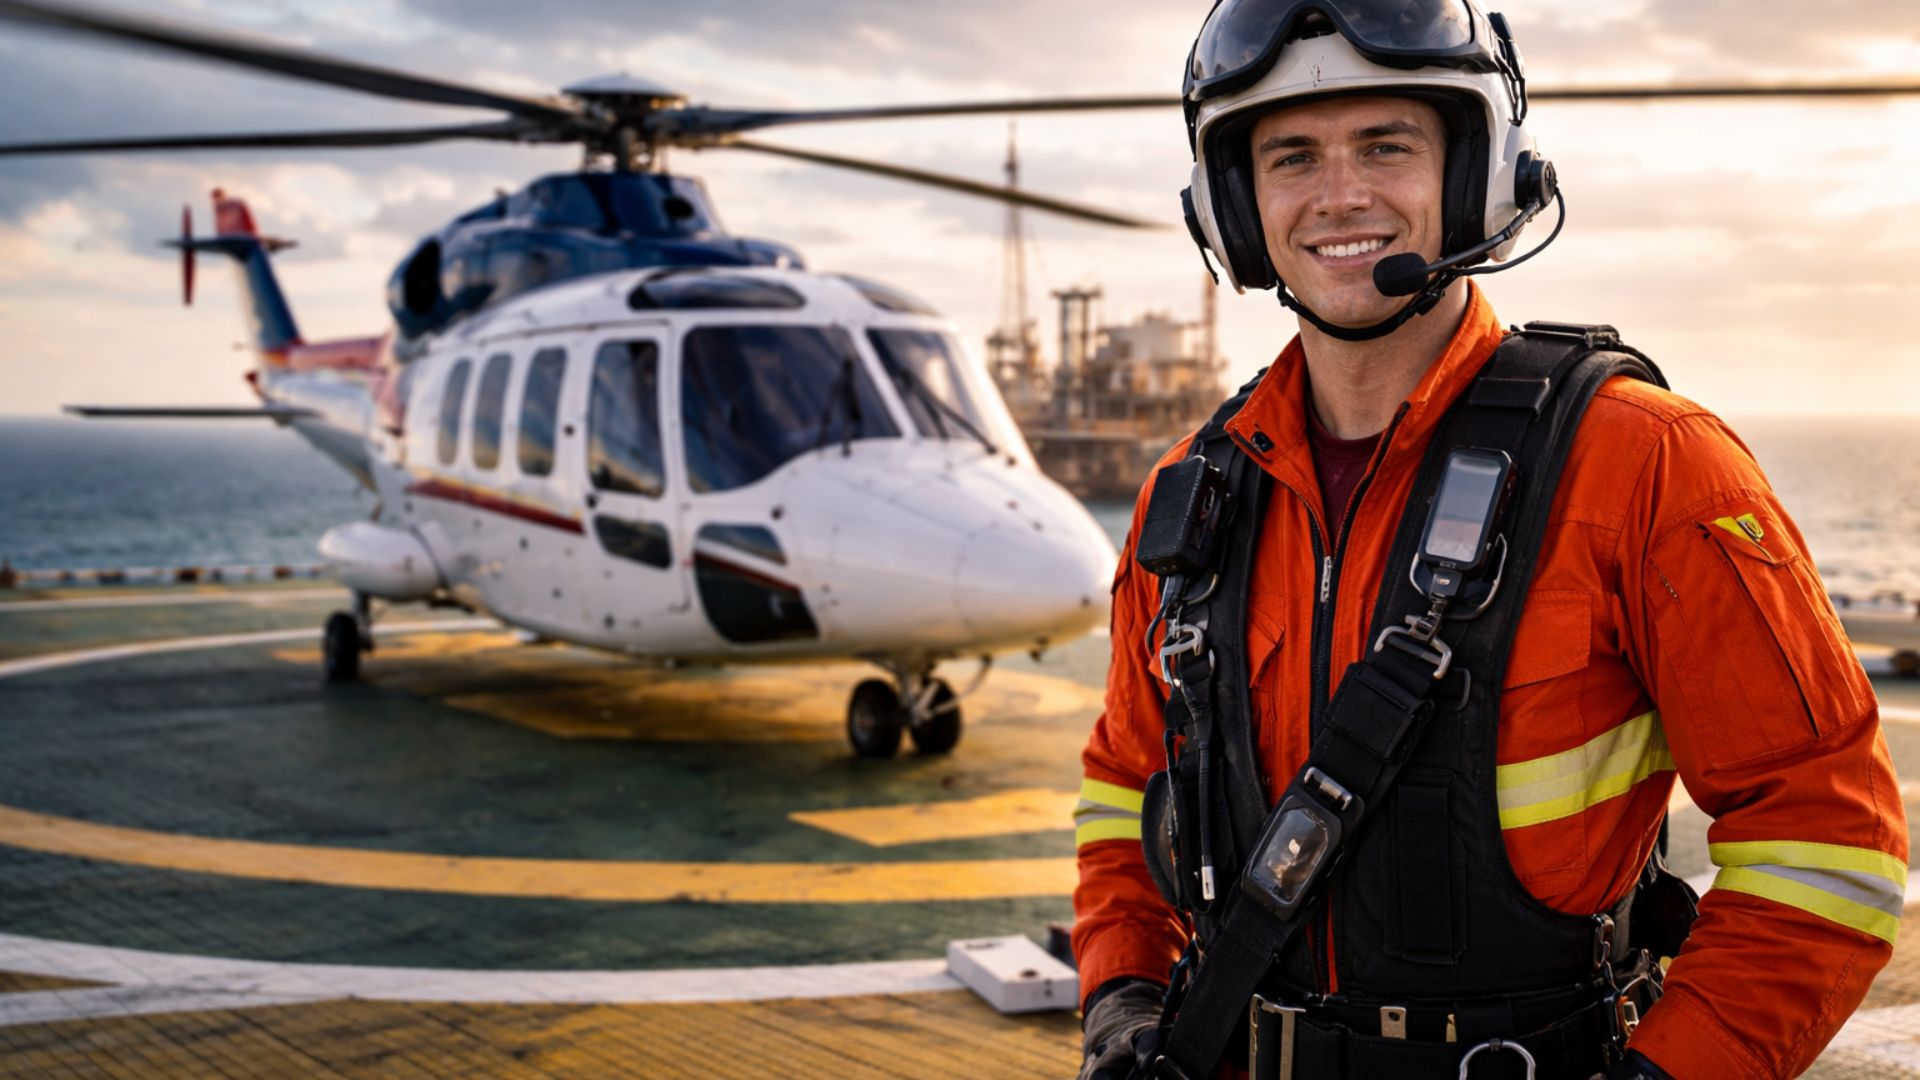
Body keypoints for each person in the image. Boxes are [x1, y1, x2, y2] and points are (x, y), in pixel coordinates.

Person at [1073, 2, 1907, 1078]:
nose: (1341, 195)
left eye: (1387, 145)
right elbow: (1121, 799)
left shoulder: (1647, 464)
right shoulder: (1189, 505)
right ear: (1233, 206)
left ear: (1476, 171)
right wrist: (1123, 1004)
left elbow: (1825, 844)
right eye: (1292, 156)